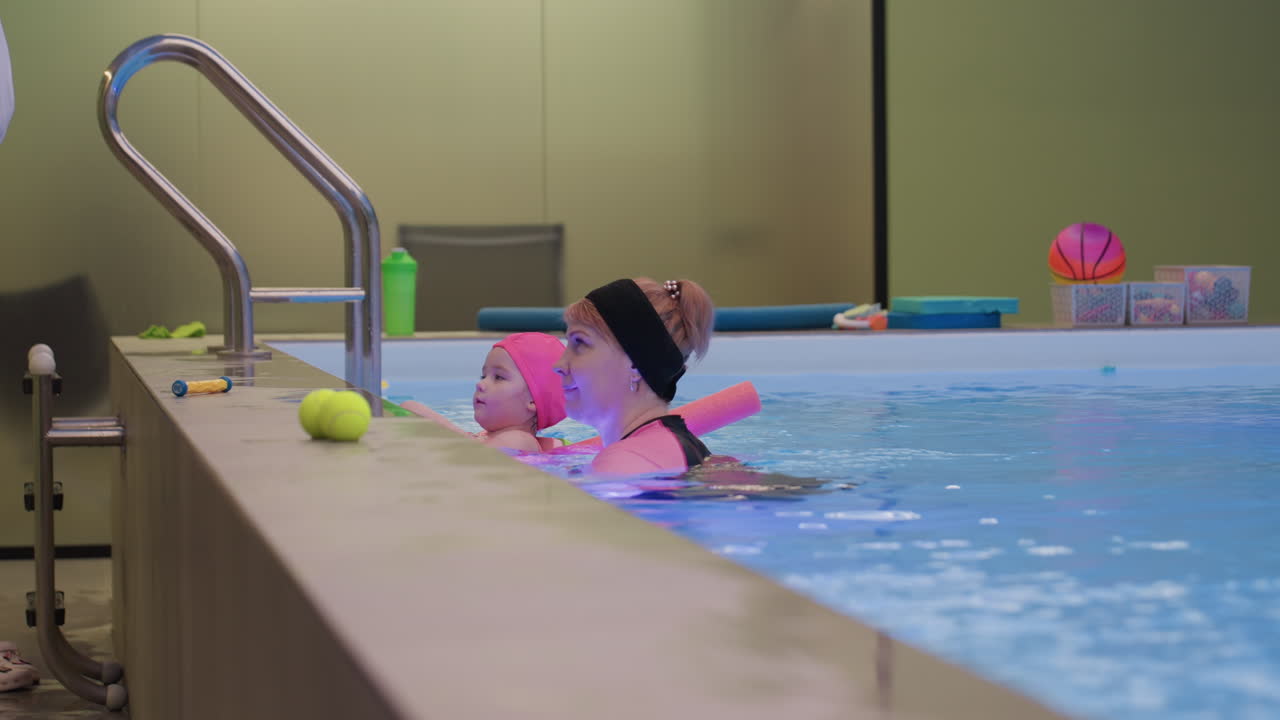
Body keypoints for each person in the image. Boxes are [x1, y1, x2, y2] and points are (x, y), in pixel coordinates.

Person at [555, 277, 715, 475]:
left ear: (635, 365)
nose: (559, 365)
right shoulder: (679, 447)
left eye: (580, 343)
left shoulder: (625, 463)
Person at [402, 332, 566, 453]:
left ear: (533, 402)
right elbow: (408, 409)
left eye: (499, 377)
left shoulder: (519, 441)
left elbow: (470, 463)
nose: (481, 384)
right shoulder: (486, 437)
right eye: (483, 375)